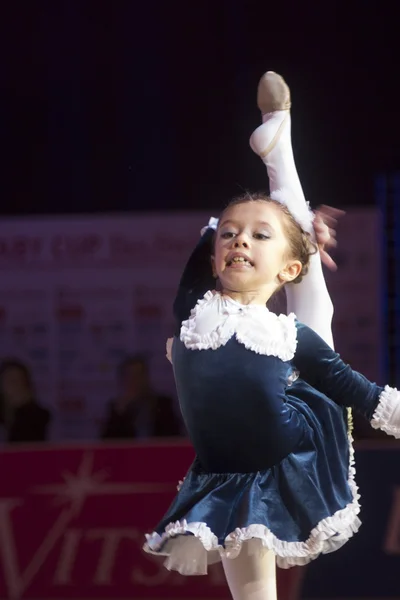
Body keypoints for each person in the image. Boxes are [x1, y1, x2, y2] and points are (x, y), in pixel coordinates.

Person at [143, 72, 398, 600]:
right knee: (252, 588)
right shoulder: (196, 309)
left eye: (256, 237)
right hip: (227, 472)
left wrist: (298, 237)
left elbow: (355, 391)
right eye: (230, 235)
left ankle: (278, 144)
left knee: (314, 309)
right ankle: (278, 148)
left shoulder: (288, 333)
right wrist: (282, 231)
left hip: (297, 442)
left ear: (283, 270)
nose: (238, 241)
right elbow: (223, 242)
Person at [101, 355, 182, 439]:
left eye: (138, 375)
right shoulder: (116, 408)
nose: (135, 381)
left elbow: (174, 437)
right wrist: (120, 413)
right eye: (130, 377)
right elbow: (108, 443)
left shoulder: (163, 404)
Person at [0, 359, 51, 443]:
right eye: (9, 380)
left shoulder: (39, 415)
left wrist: (22, 409)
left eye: (18, 380)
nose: (14, 386)